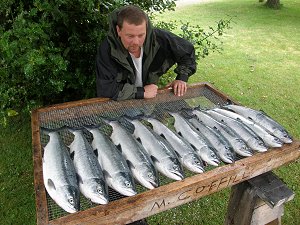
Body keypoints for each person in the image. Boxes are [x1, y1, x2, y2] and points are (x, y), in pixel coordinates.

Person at [96, 5, 197, 100]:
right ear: (119, 30)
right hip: (121, 103)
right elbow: (105, 88)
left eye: (141, 35)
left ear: (146, 29)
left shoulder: (159, 39)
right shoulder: (107, 49)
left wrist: (182, 78)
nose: (136, 42)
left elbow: (187, 52)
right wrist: (141, 92)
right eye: (130, 36)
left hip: (149, 101)